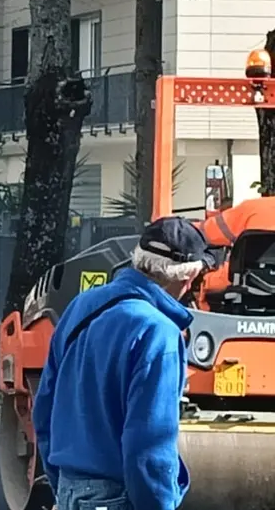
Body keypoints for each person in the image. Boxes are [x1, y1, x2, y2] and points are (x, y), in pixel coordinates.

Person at [32, 216, 216, 510]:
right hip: (117, 498)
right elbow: (149, 445)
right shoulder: (159, 333)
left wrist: (63, 486)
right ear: (188, 278)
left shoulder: (80, 307)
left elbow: (44, 411)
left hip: (70, 489)